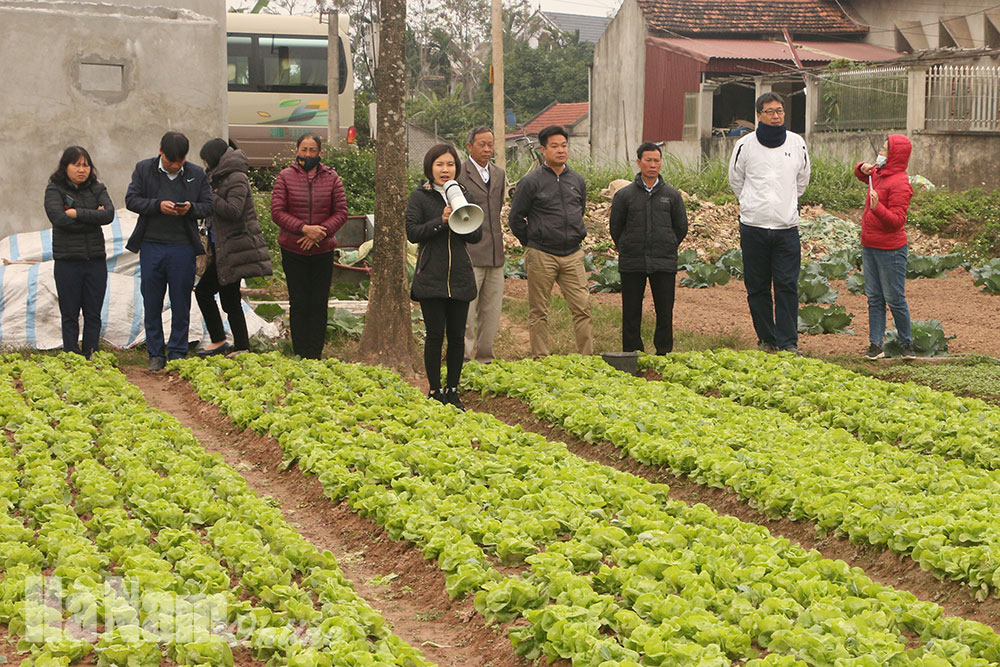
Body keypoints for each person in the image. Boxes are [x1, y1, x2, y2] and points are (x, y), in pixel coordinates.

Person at [728, 92, 811, 354]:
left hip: (786, 229)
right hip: (753, 227)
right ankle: (767, 339)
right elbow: (736, 181)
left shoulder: (797, 143)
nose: (776, 116)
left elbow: (802, 180)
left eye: (780, 111)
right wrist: (754, 205)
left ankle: (788, 342)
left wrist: (784, 204)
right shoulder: (745, 145)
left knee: (787, 286)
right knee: (757, 287)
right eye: (770, 112)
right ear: (759, 115)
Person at [125, 131, 212, 371]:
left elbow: (207, 206)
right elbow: (131, 200)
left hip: (182, 247)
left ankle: (177, 352)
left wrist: (190, 208)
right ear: (161, 152)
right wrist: (157, 205)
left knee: (181, 301)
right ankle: (155, 354)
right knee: (152, 301)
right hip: (151, 244)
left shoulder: (196, 174)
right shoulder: (144, 169)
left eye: (179, 162)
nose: (174, 166)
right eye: (170, 161)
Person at [406, 144, 483, 410]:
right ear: (430, 167)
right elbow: (413, 233)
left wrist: (461, 218)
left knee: (457, 337)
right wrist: (440, 220)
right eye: (440, 164)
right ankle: (435, 390)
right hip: (431, 277)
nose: (445, 169)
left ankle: (453, 390)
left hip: (460, 276)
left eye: (450, 164)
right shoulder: (419, 197)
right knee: (435, 335)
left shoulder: (465, 194)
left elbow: (475, 235)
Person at [508, 125, 593, 357]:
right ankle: (541, 358)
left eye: (564, 146)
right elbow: (515, 218)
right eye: (554, 146)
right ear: (543, 150)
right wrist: (532, 241)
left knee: (582, 308)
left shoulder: (576, 180)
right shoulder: (531, 182)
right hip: (541, 254)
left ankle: (587, 358)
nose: (560, 150)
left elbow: (579, 210)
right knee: (539, 311)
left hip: (573, 254)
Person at [270, 133, 348, 359]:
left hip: (322, 250)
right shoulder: (285, 177)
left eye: (312, 150)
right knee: (299, 301)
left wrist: (319, 233)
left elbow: (341, 212)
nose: (307, 154)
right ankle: (300, 351)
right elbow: (277, 212)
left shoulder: (332, 178)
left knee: (318, 302)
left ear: (320, 153)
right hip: (293, 249)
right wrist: (304, 229)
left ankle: (315, 353)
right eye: (303, 150)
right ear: (296, 151)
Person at [195, 139, 273, 356]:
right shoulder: (220, 177)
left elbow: (234, 210)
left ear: (215, 159)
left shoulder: (236, 177)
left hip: (236, 247)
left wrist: (210, 196)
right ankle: (235, 345)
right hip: (225, 247)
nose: (206, 166)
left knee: (208, 293)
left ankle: (229, 343)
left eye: (207, 161)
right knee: (226, 298)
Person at [609, 142, 688, 354]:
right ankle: (632, 353)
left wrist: (668, 243)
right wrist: (626, 246)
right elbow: (615, 228)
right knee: (631, 312)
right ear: (638, 162)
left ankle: (663, 352)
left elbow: (681, 227)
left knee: (665, 312)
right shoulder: (624, 195)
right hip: (632, 261)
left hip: (664, 261)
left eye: (657, 160)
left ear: (661, 163)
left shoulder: (671, 195)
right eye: (648, 160)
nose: (652, 165)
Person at [43, 146, 114, 359]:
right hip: (68, 262)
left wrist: (76, 213)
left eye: (86, 165)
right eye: (76, 165)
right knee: (70, 313)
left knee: (93, 313)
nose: (81, 170)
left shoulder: (97, 188)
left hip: (95, 260)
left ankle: (92, 353)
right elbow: (59, 219)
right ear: (66, 167)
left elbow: (109, 214)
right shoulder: (55, 189)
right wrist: (93, 217)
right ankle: (72, 355)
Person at [855, 135, 916, 360]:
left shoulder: (900, 183)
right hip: (869, 245)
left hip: (891, 250)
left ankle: (907, 345)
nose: (880, 151)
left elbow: (897, 220)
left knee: (895, 298)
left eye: (884, 148)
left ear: (895, 155)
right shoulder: (879, 174)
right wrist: (863, 167)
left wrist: (876, 207)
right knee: (874, 297)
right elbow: (860, 174)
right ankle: (875, 345)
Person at [457, 126, 506, 364]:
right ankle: (464, 358)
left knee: (492, 312)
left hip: (496, 254)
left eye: (490, 144)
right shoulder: (460, 174)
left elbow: (497, 209)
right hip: (470, 253)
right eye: (482, 144)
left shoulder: (498, 174)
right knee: (467, 311)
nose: (487, 149)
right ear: (469, 146)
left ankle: (485, 357)